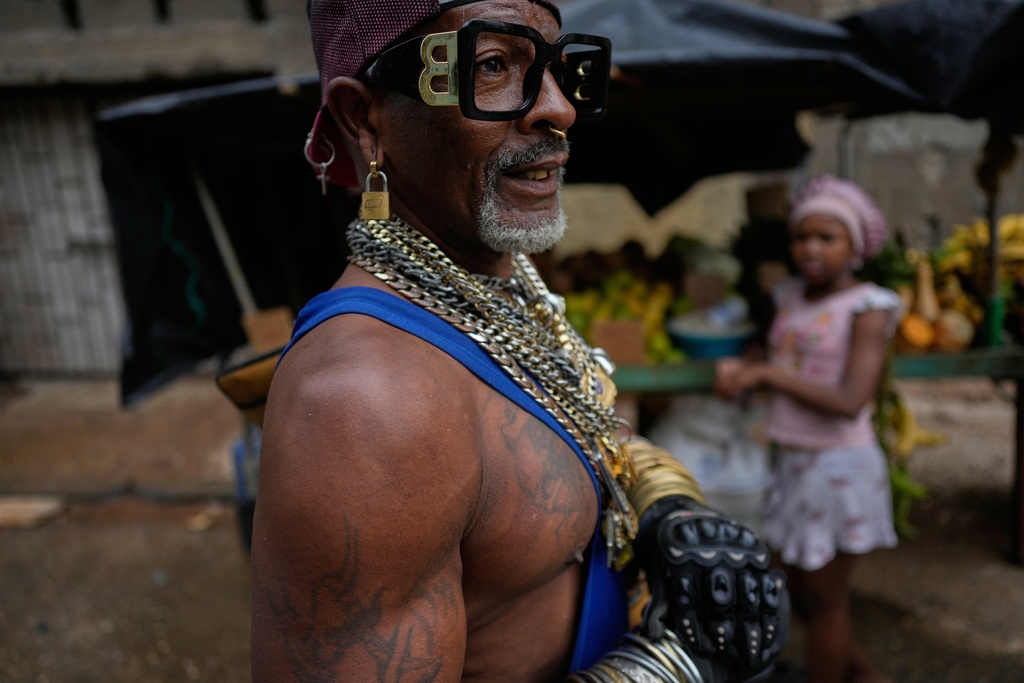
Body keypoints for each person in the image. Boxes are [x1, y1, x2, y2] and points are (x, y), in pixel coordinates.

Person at [251, 1, 787, 681]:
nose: (558, 109)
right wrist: (668, 666)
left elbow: (569, 414)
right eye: (495, 65)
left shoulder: (496, 284)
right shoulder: (368, 404)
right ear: (364, 115)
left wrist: (664, 502)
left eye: (560, 68)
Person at [715, 174, 901, 683]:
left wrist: (767, 374)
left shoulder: (868, 307)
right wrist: (747, 365)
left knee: (825, 602)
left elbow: (849, 400)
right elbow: (783, 355)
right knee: (800, 589)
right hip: (795, 461)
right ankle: (862, 674)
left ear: (855, 245)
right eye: (803, 236)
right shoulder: (791, 296)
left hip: (839, 466)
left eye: (828, 237)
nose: (811, 248)